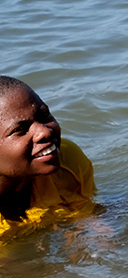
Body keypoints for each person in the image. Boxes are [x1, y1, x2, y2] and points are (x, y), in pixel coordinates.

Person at [0, 76, 95, 240]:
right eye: (20, 129)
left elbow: (86, 217)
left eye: (44, 115)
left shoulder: (67, 160)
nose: (44, 132)